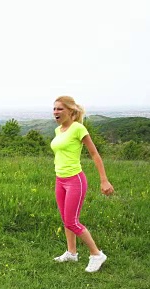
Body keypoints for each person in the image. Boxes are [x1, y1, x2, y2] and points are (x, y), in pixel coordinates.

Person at [50, 95, 114, 272]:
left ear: (71, 111)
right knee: (65, 220)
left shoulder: (78, 128)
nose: (55, 112)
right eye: (54, 109)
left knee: (72, 221)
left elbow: (94, 154)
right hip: (60, 179)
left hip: (74, 180)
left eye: (60, 109)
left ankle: (96, 254)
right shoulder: (59, 131)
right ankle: (71, 253)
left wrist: (104, 180)